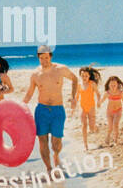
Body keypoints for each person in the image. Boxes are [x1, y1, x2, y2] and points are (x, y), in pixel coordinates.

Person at [21, 44, 80, 172]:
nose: (44, 61)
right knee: (42, 140)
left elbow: (75, 79)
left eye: (46, 58)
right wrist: (21, 106)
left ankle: (56, 155)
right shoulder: (35, 74)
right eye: (41, 58)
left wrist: (73, 97)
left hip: (57, 110)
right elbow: (30, 93)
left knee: (56, 143)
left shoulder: (61, 69)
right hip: (41, 110)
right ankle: (49, 169)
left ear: (51, 56)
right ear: (38, 58)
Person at [76, 66, 101, 151]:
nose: (84, 77)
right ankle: (85, 145)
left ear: (89, 76)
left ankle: (96, 128)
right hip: (82, 107)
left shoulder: (92, 84)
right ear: (80, 76)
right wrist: (73, 103)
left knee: (91, 128)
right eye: (82, 75)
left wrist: (98, 102)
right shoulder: (79, 85)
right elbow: (76, 96)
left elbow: (98, 94)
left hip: (91, 107)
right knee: (84, 126)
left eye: (86, 76)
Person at [104, 75, 123, 145]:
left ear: (118, 84)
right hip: (109, 111)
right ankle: (108, 136)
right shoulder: (107, 93)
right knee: (110, 127)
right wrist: (99, 103)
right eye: (111, 84)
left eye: (114, 84)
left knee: (115, 125)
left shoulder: (121, 92)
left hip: (118, 110)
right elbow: (102, 100)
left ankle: (115, 140)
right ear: (108, 85)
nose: (113, 86)